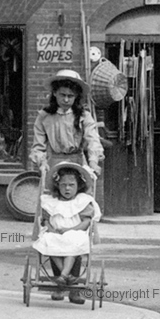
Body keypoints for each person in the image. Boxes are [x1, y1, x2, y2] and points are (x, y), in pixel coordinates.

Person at [29, 69, 104, 303]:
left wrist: (93, 165)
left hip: (76, 165)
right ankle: (58, 283)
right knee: (54, 219)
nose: (66, 100)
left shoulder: (83, 117)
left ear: (76, 97)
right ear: (55, 94)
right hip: (54, 165)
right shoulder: (44, 116)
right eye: (62, 95)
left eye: (71, 96)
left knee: (76, 221)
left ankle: (75, 287)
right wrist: (40, 161)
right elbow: (38, 145)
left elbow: (92, 141)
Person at [32, 162, 101, 305]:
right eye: (63, 185)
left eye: (71, 185)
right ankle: (64, 280)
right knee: (49, 241)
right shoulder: (50, 202)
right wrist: (51, 229)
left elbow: (86, 222)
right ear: (58, 186)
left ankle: (65, 279)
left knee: (73, 241)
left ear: (78, 186)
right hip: (56, 232)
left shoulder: (82, 201)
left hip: (75, 231)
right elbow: (46, 221)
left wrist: (70, 230)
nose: (67, 188)